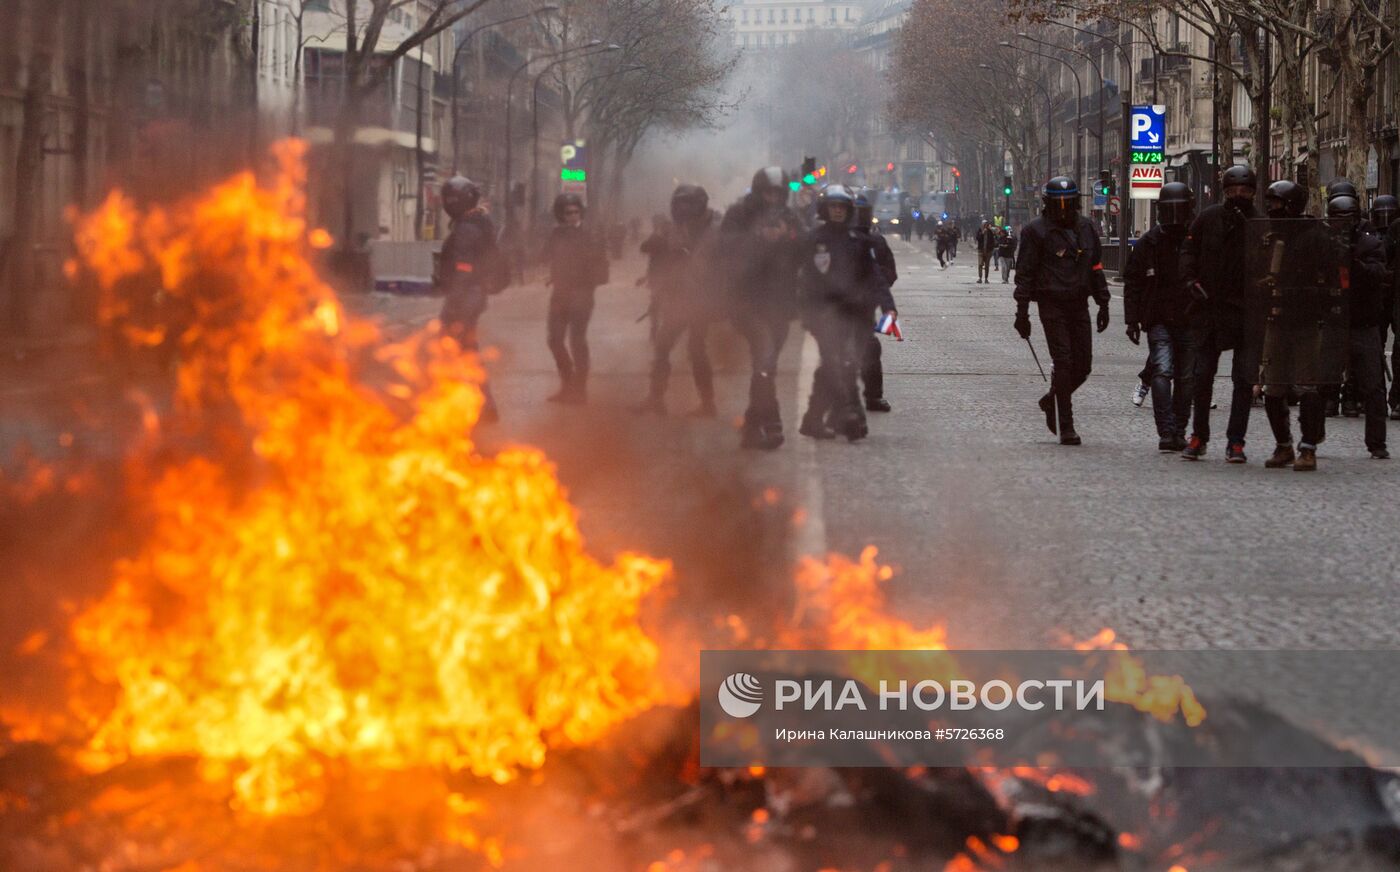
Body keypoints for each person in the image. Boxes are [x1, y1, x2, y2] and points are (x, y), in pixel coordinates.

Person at [1013, 176, 1111, 446]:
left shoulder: (1087, 228)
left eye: (1069, 203)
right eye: (1059, 203)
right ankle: (1066, 424)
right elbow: (1025, 274)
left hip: (1079, 302)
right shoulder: (1036, 231)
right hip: (1051, 303)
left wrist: (1103, 302)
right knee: (1064, 362)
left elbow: (1095, 266)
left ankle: (1052, 398)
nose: (1065, 208)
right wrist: (1022, 313)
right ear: (1048, 204)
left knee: (1084, 365)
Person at [1255, 181, 1343, 470]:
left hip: (1307, 320)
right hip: (1276, 318)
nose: (1271, 209)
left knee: (1308, 387)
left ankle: (1308, 447)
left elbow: (1333, 276)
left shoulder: (1317, 236)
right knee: (1273, 387)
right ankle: (1283, 445)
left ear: (1291, 205)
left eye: (1276, 204)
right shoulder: (1268, 236)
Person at [797, 184, 893, 442]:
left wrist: (887, 305)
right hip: (822, 313)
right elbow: (799, 277)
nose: (837, 211)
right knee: (838, 362)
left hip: (852, 313)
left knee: (840, 363)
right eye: (833, 206)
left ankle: (821, 418)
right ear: (825, 209)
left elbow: (876, 276)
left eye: (841, 207)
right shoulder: (813, 240)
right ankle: (849, 415)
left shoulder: (859, 241)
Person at [1180, 164, 1259, 462]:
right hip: (1210, 308)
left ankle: (1236, 441)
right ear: (1224, 192)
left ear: (1252, 192)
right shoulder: (1207, 218)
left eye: (1245, 191)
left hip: (1245, 311)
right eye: (1233, 191)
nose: (1239, 196)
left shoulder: (1259, 221)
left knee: (1243, 379)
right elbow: (1188, 252)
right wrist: (1190, 282)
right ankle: (1198, 435)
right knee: (1201, 377)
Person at [722, 166, 804, 450]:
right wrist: (759, 239)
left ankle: (751, 425)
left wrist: (787, 238)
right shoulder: (738, 214)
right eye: (768, 192)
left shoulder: (790, 218)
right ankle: (773, 423)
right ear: (759, 192)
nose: (773, 198)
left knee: (765, 366)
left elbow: (806, 249)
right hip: (747, 302)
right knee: (765, 358)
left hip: (780, 304)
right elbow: (725, 249)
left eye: (778, 193)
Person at [634, 185, 721, 417]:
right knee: (662, 345)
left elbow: (725, 263)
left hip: (703, 298)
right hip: (678, 297)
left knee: (696, 349)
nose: (682, 208)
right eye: (679, 203)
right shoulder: (672, 228)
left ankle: (707, 402)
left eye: (687, 203)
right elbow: (653, 251)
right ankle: (656, 397)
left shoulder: (715, 229)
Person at [1123, 182, 1197, 452]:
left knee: (1183, 377)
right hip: (1161, 318)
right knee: (1165, 372)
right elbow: (1133, 282)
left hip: (1188, 317)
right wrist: (1132, 319)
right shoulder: (1149, 243)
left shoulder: (1194, 240)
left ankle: (1176, 429)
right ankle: (1169, 430)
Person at [436, 176, 508, 422]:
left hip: (465, 297)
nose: (447, 203)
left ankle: (463, 406)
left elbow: (463, 268)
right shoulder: (478, 221)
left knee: (452, 349)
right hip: (473, 295)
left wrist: (454, 300)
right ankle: (483, 405)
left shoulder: (467, 227)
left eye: (450, 199)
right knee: (466, 350)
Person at [1328, 195, 1391, 459]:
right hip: (1331, 322)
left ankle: (1377, 442)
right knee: (1318, 383)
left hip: (1362, 322)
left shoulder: (1369, 244)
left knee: (1373, 385)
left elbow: (1377, 275)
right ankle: (1310, 437)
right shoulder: (1323, 243)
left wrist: (1353, 263)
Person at [543, 192, 609, 404]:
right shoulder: (557, 234)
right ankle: (567, 384)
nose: (571, 216)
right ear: (560, 215)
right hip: (560, 294)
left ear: (581, 212)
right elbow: (546, 255)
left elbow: (601, 268)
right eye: (567, 213)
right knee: (554, 340)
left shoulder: (590, 235)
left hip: (581, 295)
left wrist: (584, 281)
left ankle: (580, 390)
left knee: (577, 340)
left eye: (575, 212)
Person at [853, 191, 898, 413]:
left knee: (870, 349)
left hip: (863, 307)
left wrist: (874, 293)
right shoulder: (829, 238)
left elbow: (888, 273)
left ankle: (873, 396)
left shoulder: (875, 241)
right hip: (834, 307)